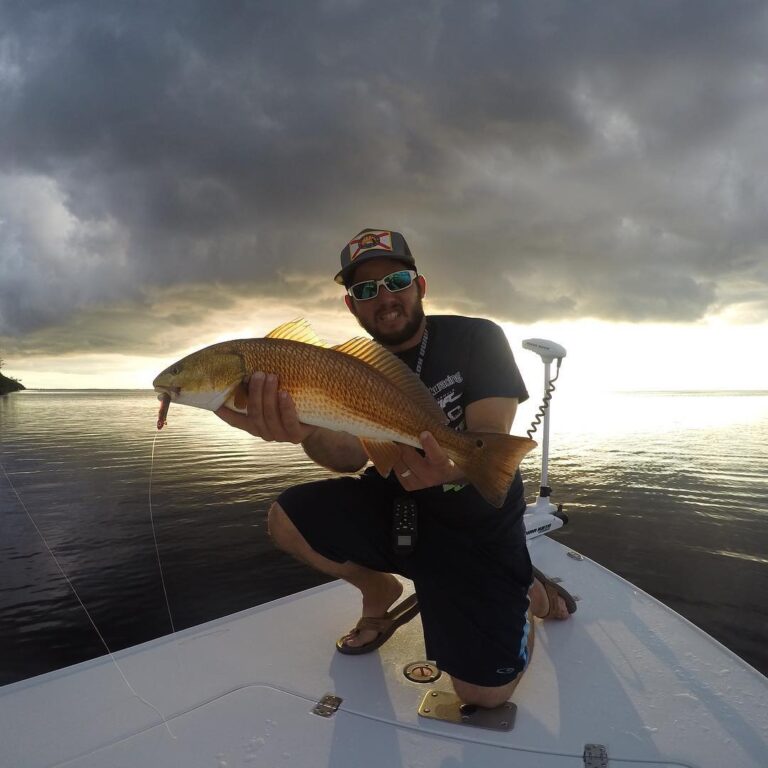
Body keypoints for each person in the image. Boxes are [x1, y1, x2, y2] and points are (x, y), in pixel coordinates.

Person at [216, 228, 574, 708]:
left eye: (395, 281)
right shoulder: (342, 366)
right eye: (365, 290)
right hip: (397, 503)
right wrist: (303, 431)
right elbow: (348, 458)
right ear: (352, 307)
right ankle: (379, 588)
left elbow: (489, 436)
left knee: (483, 696)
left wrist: (452, 470)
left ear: (419, 286)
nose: (383, 298)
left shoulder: (475, 338)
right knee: (287, 517)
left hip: (471, 517)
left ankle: (524, 589)